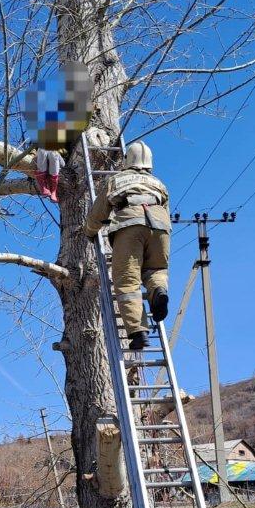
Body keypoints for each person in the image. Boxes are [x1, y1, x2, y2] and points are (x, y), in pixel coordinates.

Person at [84, 141, 171, 351]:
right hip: (161, 226)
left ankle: (137, 332)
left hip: (130, 225)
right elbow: (166, 209)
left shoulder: (117, 180)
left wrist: (89, 231)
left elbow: (99, 212)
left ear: (127, 160)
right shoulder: (159, 183)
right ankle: (158, 291)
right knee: (156, 270)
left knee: (128, 280)